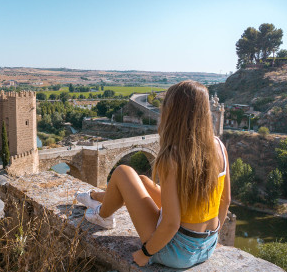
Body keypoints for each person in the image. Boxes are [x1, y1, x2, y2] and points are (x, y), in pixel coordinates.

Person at [75, 80, 231, 269]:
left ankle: (102, 216)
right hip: (207, 246)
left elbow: (172, 223)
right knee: (142, 181)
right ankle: (96, 197)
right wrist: (209, 239)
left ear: (171, 112)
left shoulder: (173, 156)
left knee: (123, 171)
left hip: (176, 251)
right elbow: (225, 201)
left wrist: (145, 253)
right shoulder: (220, 147)